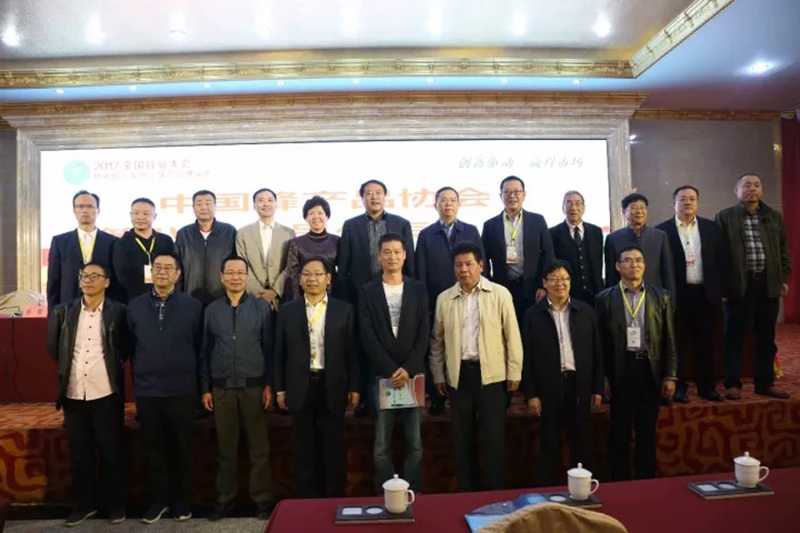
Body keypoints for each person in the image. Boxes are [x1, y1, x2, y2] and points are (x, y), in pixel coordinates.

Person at [430, 242, 523, 491]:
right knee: (462, 441)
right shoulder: (444, 299)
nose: (464, 269)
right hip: (459, 377)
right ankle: (467, 494)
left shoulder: (500, 294)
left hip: (492, 376)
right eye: (458, 265)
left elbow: (512, 335)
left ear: (481, 265)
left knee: (493, 440)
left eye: (469, 264)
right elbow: (437, 342)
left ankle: (494, 494)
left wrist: (514, 371)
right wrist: (438, 375)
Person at [46, 262, 129, 527]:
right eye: (85, 276)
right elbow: (54, 348)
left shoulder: (119, 312)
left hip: (106, 392)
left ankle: (114, 505)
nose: (89, 280)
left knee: (111, 451)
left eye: (95, 276)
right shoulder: (62, 312)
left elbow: (125, 348)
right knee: (79, 452)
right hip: (73, 393)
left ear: (107, 282)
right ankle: (83, 505)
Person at [127, 252, 203, 523]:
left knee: (181, 448)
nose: (162, 271)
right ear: (151, 272)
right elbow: (130, 346)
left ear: (178, 274)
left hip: (181, 389)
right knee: (153, 448)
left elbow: (199, 346)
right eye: (157, 267)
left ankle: (181, 501)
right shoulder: (135, 306)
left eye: (168, 268)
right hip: (148, 390)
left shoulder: (193, 306)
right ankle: (157, 501)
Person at [274, 257, 359, 498]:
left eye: (318, 274)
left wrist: (354, 387)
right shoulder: (288, 311)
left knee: (334, 446)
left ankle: (334, 498)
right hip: (300, 385)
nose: (312, 279)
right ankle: (306, 501)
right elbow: (279, 352)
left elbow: (352, 352)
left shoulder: (344, 310)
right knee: (304, 447)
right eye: (307, 274)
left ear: (328, 279)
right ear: (300, 280)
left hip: (332, 384)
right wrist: (280, 388)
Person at [200, 256, 276, 520]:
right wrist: (205, 387)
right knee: (226, 448)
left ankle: (262, 499)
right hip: (221, 388)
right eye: (230, 273)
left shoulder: (262, 308)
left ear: (247, 276)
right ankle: (224, 498)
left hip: (254, 386)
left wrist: (269, 384)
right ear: (221, 277)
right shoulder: (211, 310)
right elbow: (204, 350)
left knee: (259, 449)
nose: (235, 277)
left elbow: (270, 349)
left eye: (240, 272)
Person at [595, 245, 677, 480]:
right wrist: (603, 378)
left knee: (646, 433)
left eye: (639, 260)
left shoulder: (661, 297)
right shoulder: (605, 298)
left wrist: (670, 375)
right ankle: (620, 484)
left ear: (645, 265)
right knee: (619, 433)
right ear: (617, 266)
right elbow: (598, 344)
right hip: (619, 371)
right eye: (628, 260)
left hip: (649, 370)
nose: (634, 265)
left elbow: (670, 339)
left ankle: (645, 483)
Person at [522, 260, 603, 486]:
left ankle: (584, 492)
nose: (561, 284)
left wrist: (597, 388)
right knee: (549, 445)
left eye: (565, 279)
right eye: (555, 279)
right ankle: (547, 493)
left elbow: (597, 352)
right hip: (548, 389)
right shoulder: (533, 315)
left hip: (579, 386)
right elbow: (526, 358)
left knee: (582, 444)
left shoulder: (585, 311)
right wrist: (531, 394)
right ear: (544, 283)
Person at [338, 179, 415, 416]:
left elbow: (410, 263)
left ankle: (400, 398)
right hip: (362, 297)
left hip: (395, 293)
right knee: (365, 346)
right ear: (362, 197)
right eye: (369, 193)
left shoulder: (401, 224)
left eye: (378, 193)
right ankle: (366, 399)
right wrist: (347, 301)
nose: (374, 197)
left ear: (385, 196)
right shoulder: (351, 226)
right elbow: (344, 266)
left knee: (395, 343)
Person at [360, 234, 429, 494]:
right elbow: (367, 335)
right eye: (387, 252)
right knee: (381, 445)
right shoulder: (367, 291)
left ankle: (414, 492)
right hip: (382, 376)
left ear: (405, 256)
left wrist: (408, 368)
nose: (392, 257)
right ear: (379, 256)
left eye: (397, 252)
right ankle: (385, 493)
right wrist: (390, 369)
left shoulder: (418, 289)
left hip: (413, 376)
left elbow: (424, 332)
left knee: (415, 443)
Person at [716, 174, 791, 400]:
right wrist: (723, 286)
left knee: (766, 337)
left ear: (762, 190)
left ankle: (764, 383)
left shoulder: (773, 216)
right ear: (736, 191)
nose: (752, 189)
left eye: (757, 185)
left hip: (767, 284)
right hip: (739, 286)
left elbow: (783, 250)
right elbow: (718, 254)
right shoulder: (725, 217)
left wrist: (783, 278)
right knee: (734, 337)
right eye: (746, 185)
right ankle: (732, 384)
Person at [415, 187, 483, 414]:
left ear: (459, 204)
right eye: (443, 201)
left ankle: (464, 394)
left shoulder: (471, 231)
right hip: (437, 300)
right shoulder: (426, 235)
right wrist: (424, 303)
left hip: (467, 297)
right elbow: (420, 272)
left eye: (453, 200)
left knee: (464, 344)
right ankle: (437, 396)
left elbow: (481, 266)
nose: (448, 204)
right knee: (437, 346)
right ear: (435, 205)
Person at [655, 186, 726, 403]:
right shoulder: (662, 231)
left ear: (697, 203)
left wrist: (722, 290)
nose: (688, 202)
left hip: (706, 293)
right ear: (673, 204)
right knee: (676, 343)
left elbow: (722, 260)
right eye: (683, 199)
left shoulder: (711, 228)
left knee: (706, 341)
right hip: (677, 294)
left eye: (692, 199)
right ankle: (678, 387)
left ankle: (707, 387)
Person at [481, 176, 555, 326]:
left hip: (533, 288)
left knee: (532, 329)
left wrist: (544, 286)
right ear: (501, 196)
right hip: (502, 288)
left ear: (524, 195)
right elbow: (483, 258)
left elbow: (548, 255)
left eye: (516, 191)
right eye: (507, 192)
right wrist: (488, 286)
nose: (512, 196)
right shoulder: (490, 225)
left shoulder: (537, 221)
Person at [47, 190, 118, 310]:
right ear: (74, 211)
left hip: (103, 306)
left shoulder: (112, 241)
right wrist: (52, 313)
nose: (85, 210)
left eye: (90, 206)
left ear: (98, 210)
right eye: (80, 206)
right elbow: (53, 281)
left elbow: (115, 280)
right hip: (68, 306)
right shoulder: (60, 241)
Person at [604, 193, 676, 295]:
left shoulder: (660, 236)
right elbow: (611, 275)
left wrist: (670, 298)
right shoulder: (613, 238)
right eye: (634, 208)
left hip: (655, 295)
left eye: (642, 208)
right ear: (624, 212)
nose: (639, 211)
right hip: (624, 295)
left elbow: (668, 273)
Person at [175, 190, 236, 307]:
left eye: (208, 203)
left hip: (222, 296)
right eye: (199, 204)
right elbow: (177, 267)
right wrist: (178, 294)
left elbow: (235, 265)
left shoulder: (229, 231)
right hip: (189, 296)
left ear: (215, 206)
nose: (204, 207)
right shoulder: (184, 233)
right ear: (193, 208)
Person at [236, 188, 296, 309]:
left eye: (270, 200)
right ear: (254, 206)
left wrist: (275, 291)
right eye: (261, 200)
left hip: (281, 297)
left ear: (276, 204)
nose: (266, 204)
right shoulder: (243, 233)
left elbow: (291, 265)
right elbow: (242, 265)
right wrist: (258, 292)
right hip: (252, 297)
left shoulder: (288, 233)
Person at [113, 198, 175, 304]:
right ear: (131, 215)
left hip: (165, 296)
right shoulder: (122, 243)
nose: (140, 217)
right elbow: (123, 276)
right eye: (136, 213)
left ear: (154, 216)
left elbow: (173, 268)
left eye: (146, 214)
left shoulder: (165, 241)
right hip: (135, 299)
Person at [549, 191, 604, 305]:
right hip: (567, 294)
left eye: (578, 203)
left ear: (583, 208)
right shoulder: (552, 233)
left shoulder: (596, 232)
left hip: (595, 294)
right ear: (563, 208)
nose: (573, 208)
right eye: (569, 203)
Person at [283, 196, 340, 302]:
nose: (316, 217)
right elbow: (293, 276)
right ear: (306, 218)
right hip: (304, 297)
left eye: (320, 213)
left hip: (332, 296)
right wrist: (297, 302)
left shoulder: (337, 241)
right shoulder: (296, 243)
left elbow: (342, 272)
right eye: (311, 213)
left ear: (327, 216)